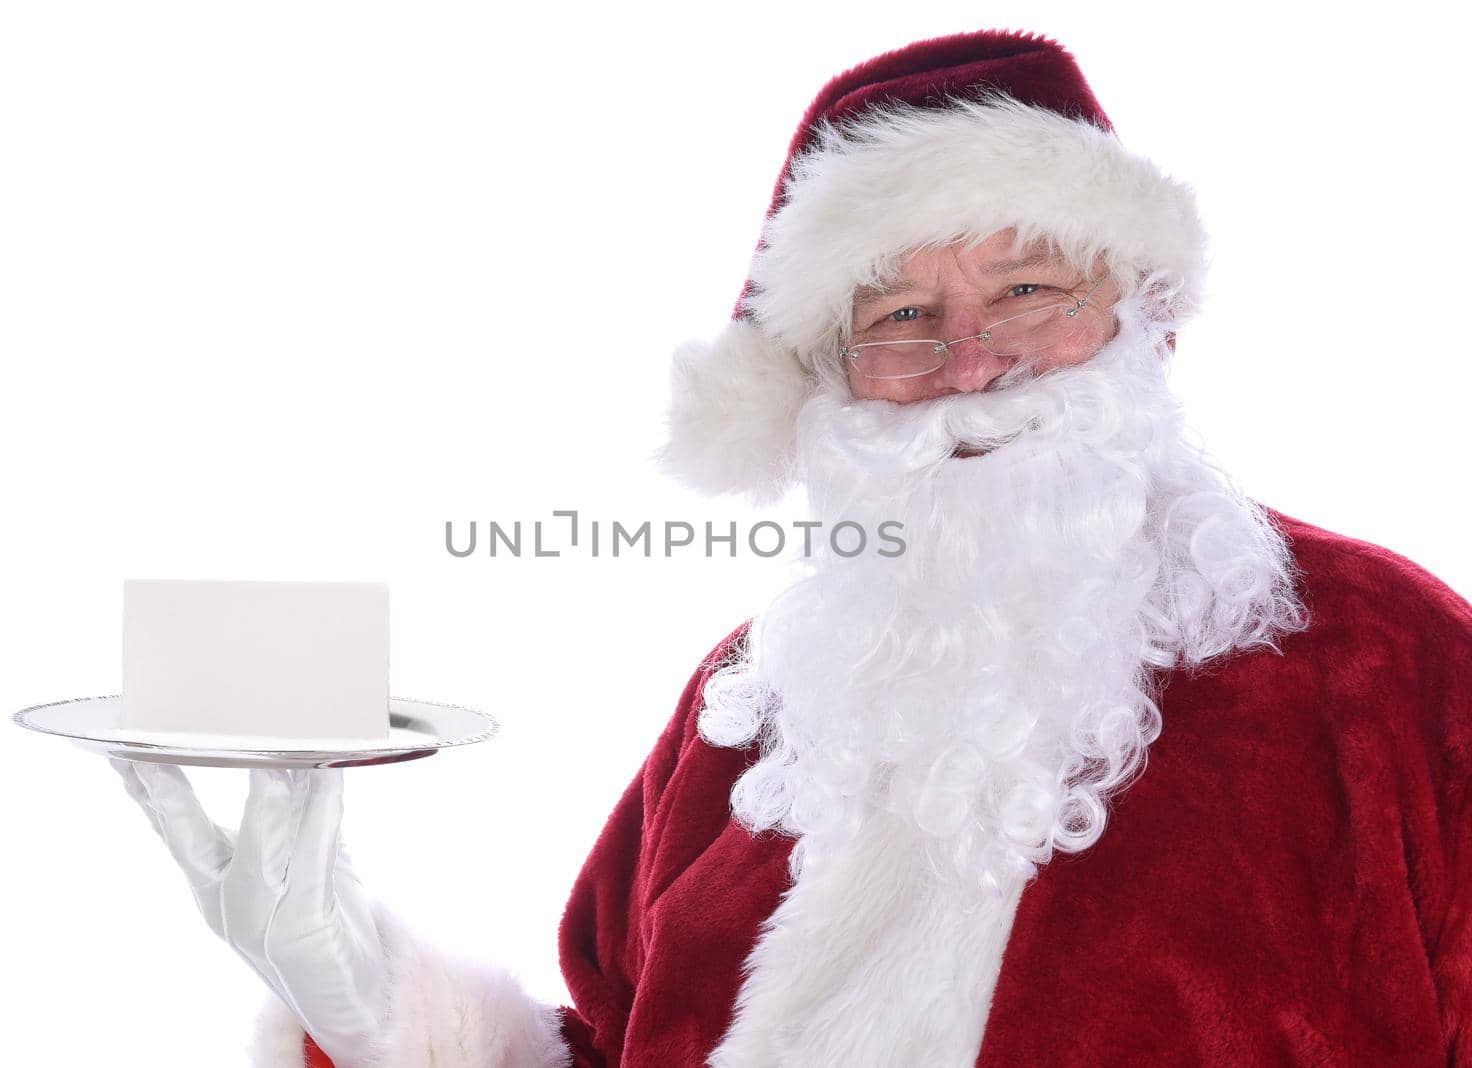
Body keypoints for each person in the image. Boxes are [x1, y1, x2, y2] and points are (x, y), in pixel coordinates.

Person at [110, 29, 1472, 1067]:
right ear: (823, 382)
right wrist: (372, 1002)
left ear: (1143, 320)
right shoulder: (750, 708)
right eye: (899, 318)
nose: (971, 366)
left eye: (1032, 289)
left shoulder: (1387, 664)